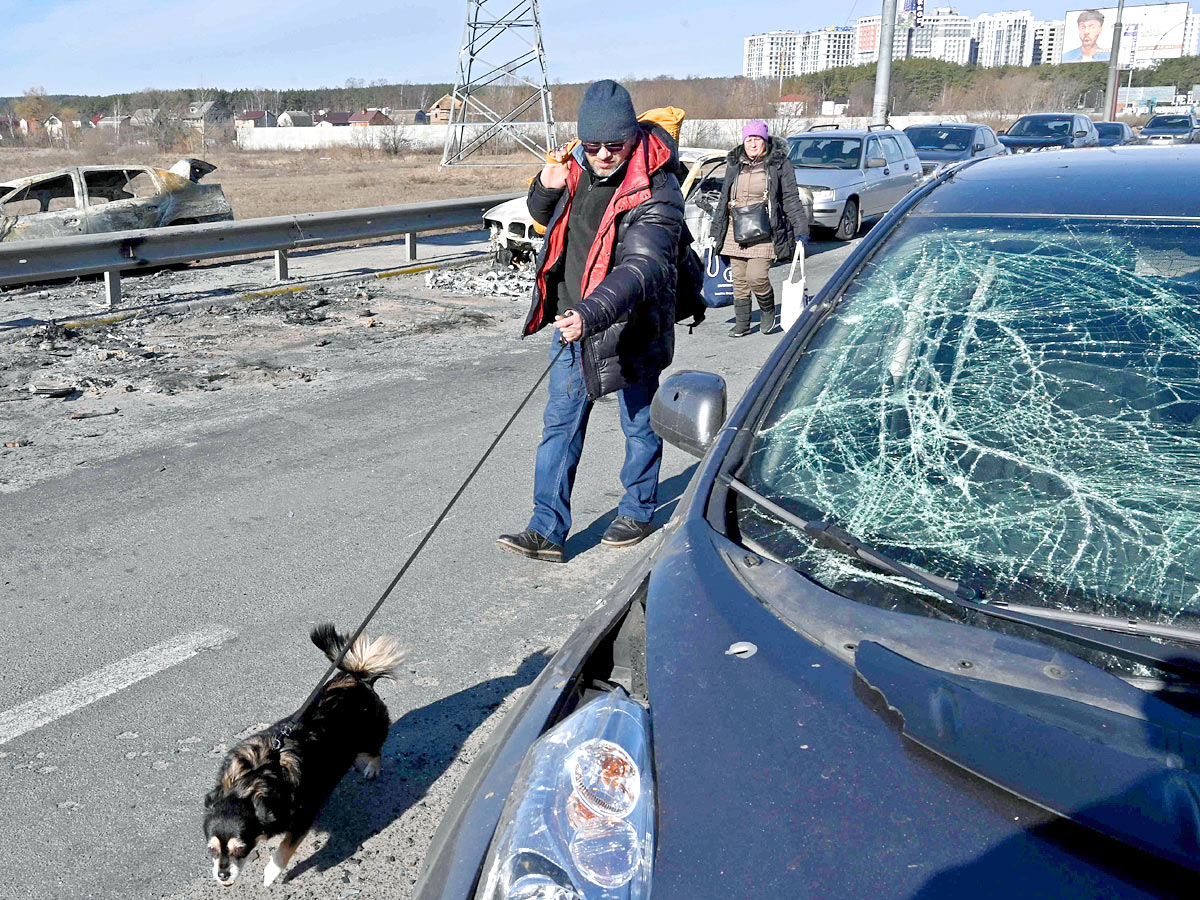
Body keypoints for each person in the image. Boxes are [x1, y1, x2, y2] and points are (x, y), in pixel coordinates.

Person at [496, 79, 685, 564]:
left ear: (632, 137)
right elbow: (545, 214)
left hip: (630, 322)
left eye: (613, 146)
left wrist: (590, 311)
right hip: (572, 323)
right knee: (559, 426)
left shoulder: (658, 185)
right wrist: (545, 185)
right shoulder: (576, 164)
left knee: (639, 423)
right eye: (593, 145)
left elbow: (641, 266)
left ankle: (638, 508)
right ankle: (546, 530)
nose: (602, 155)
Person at [709, 120, 809, 337]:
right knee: (739, 279)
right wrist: (715, 231)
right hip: (735, 230)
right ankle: (743, 324)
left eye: (757, 139)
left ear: (764, 141)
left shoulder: (779, 164)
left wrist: (801, 229)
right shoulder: (734, 164)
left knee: (756, 276)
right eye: (748, 139)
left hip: (764, 229)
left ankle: (767, 310)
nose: (752, 143)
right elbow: (723, 198)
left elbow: (790, 198)